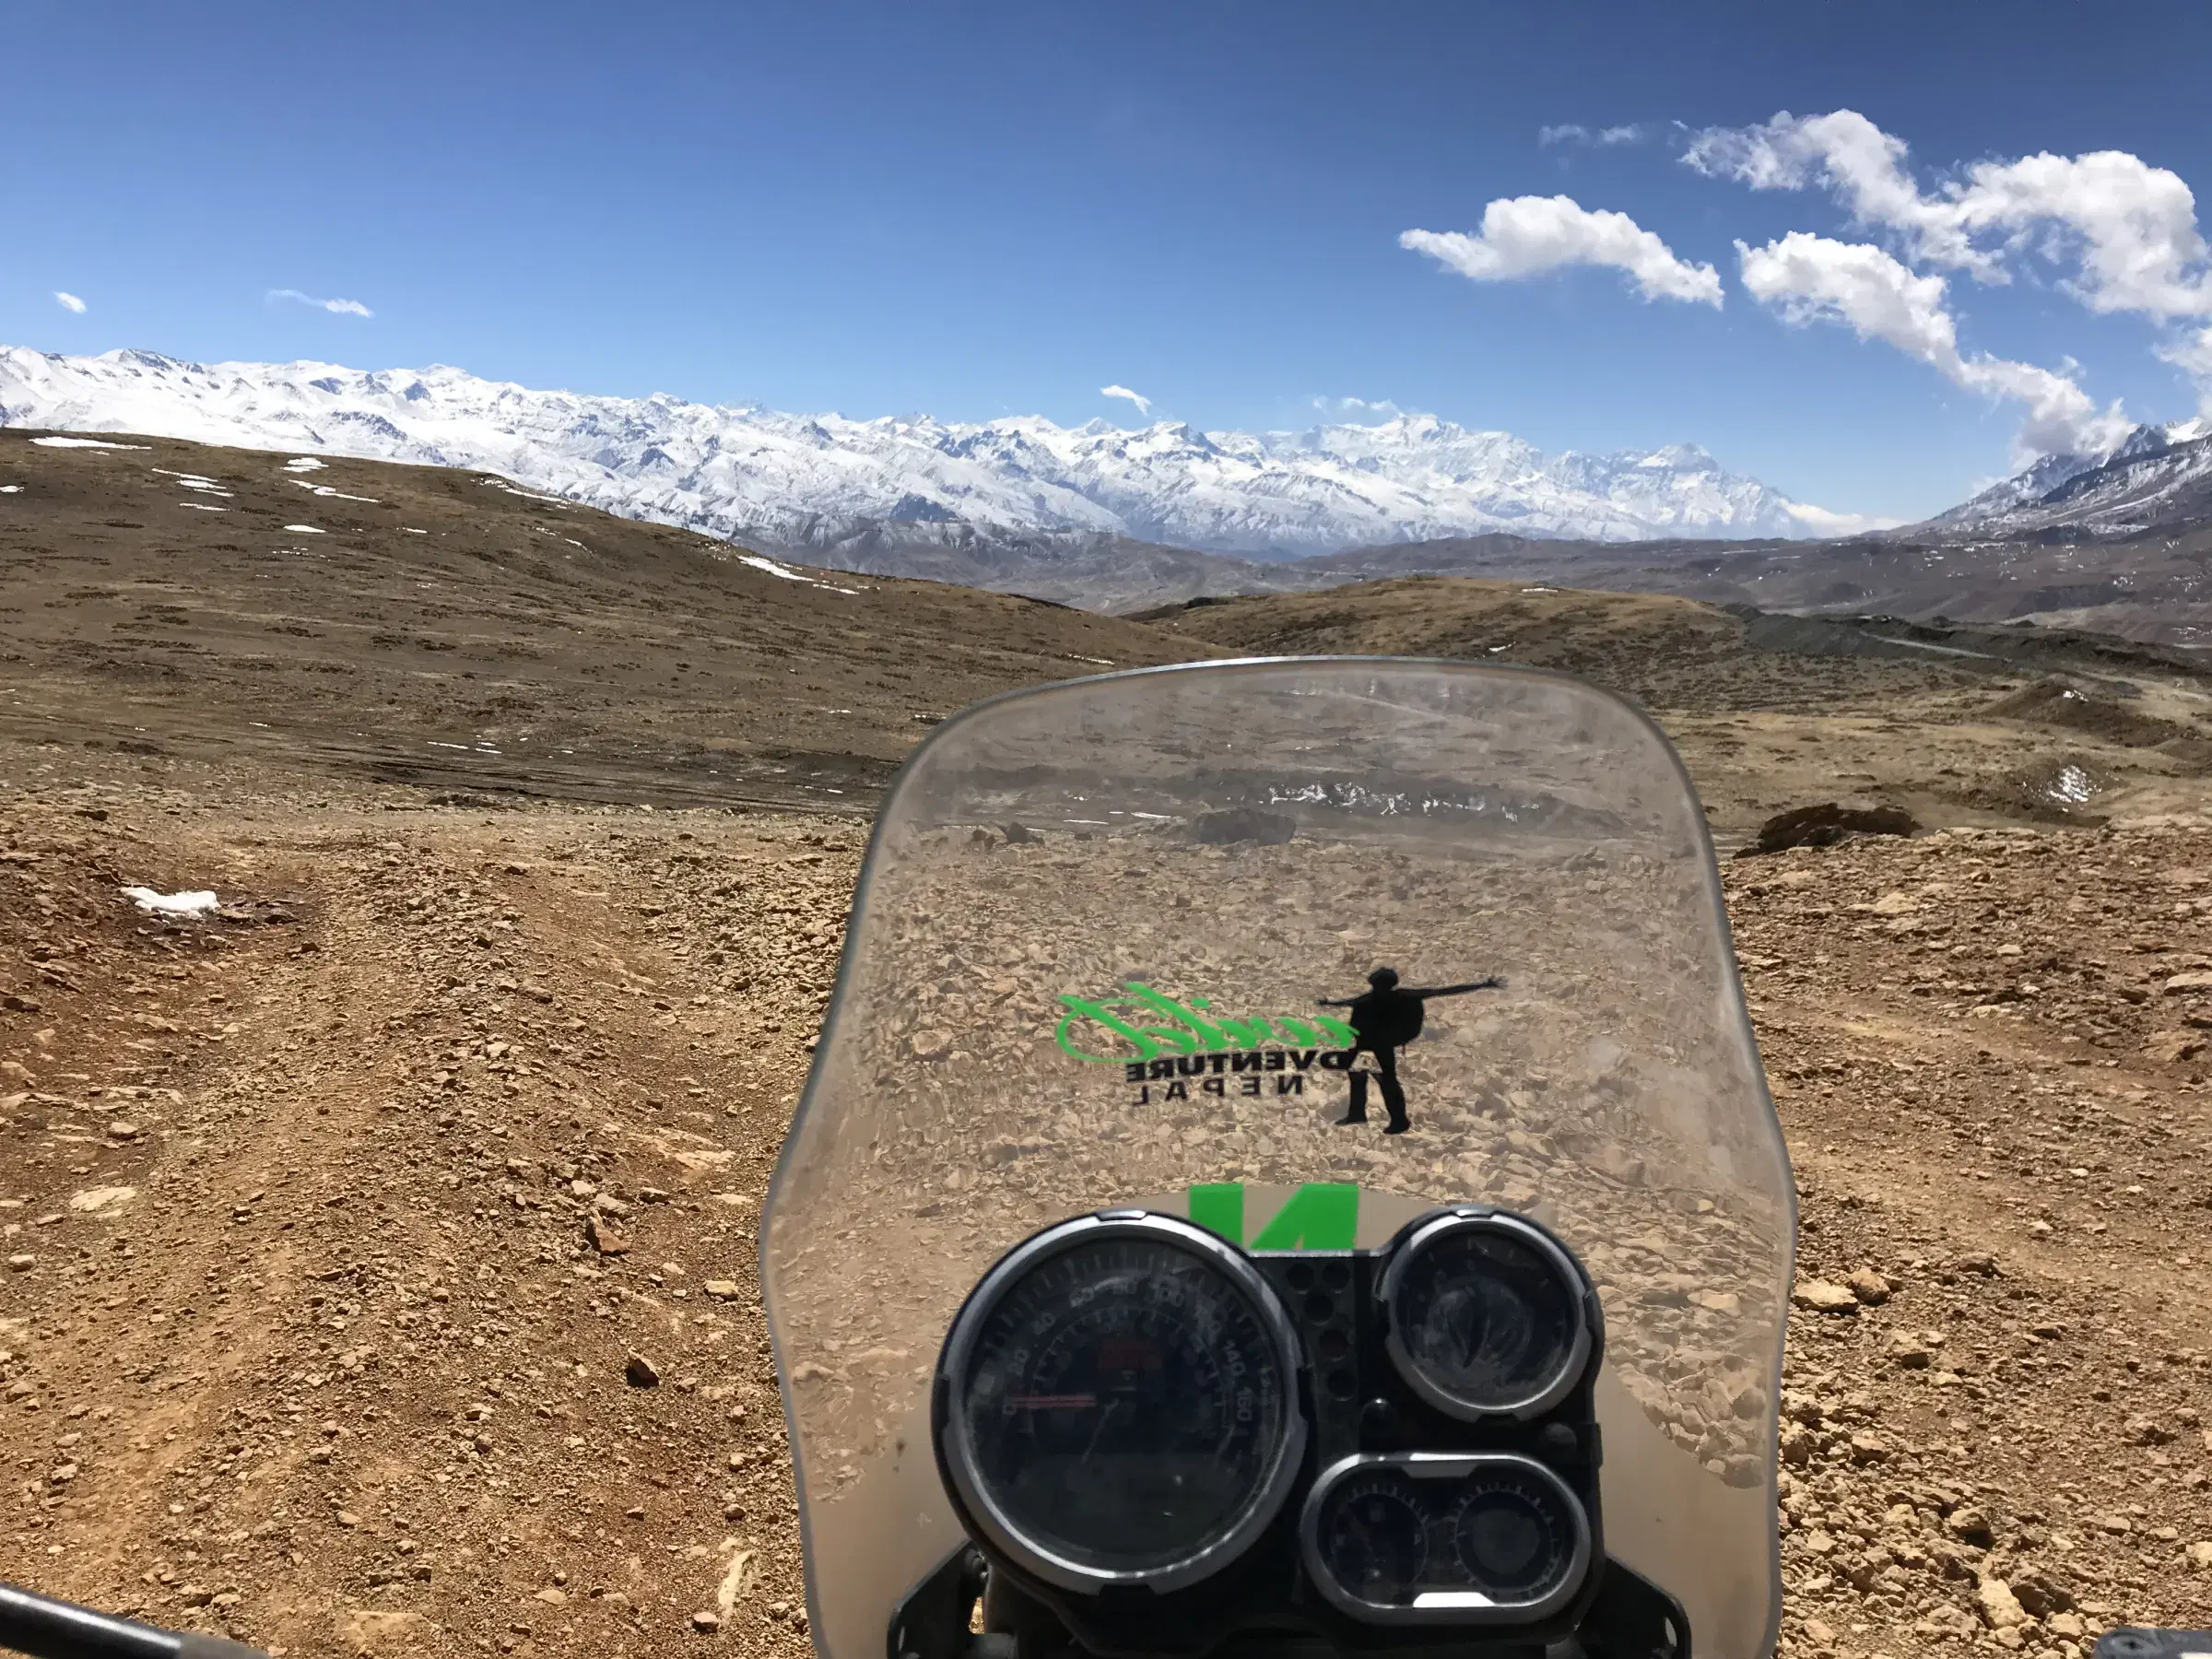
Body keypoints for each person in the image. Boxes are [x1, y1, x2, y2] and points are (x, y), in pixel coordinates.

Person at [1319, 967, 1502, 1135]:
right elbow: (1345, 1003)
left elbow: (1443, 991)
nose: (1378, 989)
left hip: (1381, 1045)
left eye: (1380, 986)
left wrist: (1482, 985)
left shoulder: (1402, 996)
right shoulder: (1370, 999)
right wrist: (1329, 1003)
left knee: (1387, 1081)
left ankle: (1399, 1120)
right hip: (1365, 1044)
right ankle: (1358, 1114)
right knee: (1359, 1076)